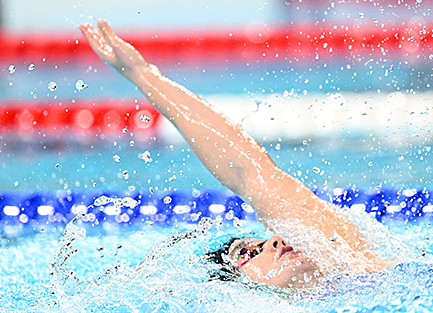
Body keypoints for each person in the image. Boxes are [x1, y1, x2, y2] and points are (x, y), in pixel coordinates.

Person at [79, 20, 392, 289]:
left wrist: (144, 74)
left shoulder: (351, 260)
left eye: (256, 245)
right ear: (243, 289)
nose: (277, 240)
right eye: (249, 254)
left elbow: (247, 167)